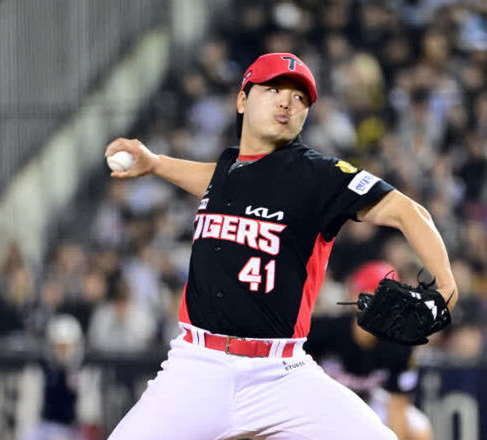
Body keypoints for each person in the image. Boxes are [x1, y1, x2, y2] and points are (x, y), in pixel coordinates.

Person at [104, 52, 458, 440]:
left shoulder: (319, 176)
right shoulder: (227, 172)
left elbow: (409, 212)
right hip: (195, 367)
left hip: (280, 375)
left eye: (299, 97)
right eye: (273, 89)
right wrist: (156, 164)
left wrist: (445, 284)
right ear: (242, 100)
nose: (287, 102)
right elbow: (214, 180)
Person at [305, 261, 433, 440]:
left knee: (419, 429)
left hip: (369, 401)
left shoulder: (401, 343)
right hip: (325, 401)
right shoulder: (323, 330)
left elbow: (397, 405)